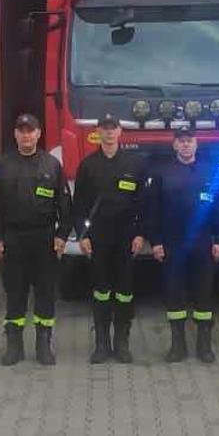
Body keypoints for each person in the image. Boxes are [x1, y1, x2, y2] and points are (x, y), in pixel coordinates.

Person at [0, 114, 70, 366]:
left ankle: (43, 345)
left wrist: (62, 235)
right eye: (21, 131)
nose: (26, 135)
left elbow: (64, 204)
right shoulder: (3, 165)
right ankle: (14, 346)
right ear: (15, 135)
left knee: (45, 293)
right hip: (13, 239)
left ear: (38, 134)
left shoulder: (52, 165)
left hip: (44, 239)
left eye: (30, 131)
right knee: (15, 293)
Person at [143, 125, 219, 364]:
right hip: (173, 243)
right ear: (174, 145)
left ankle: (204, 346)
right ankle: (177, 345)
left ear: (196, 143)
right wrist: (156, 242)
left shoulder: (210, 171)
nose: (185, 144)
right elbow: (153, 210)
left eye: (189, 140)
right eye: (181, 141)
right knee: (174, 294)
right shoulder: (162, 173)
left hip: (202, 242)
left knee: (204, 294)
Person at [71, 113, 146, 364]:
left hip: (126, 236)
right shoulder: (88, 165)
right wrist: (83, 235)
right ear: (98, 132)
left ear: (120, 132)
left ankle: (122, 342)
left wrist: (139, 234)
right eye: (104, 128)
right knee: (101, 291)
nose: (109, 133)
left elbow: (141, 203)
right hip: (99, 237)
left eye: (113, 128)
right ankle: (102, 342)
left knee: (125, 291)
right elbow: (79, 205)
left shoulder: (134, 164)